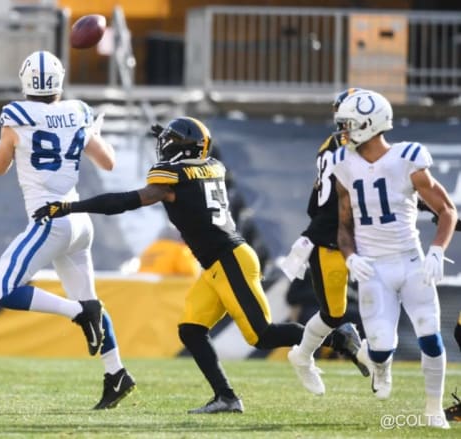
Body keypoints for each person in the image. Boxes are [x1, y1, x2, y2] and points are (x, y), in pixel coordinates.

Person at [33, 116, 363, 414]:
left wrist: (70, 206)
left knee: (262, 335)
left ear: (180, 146)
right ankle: (226, 397)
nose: (163, 145)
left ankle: (339, 338)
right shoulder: (212, 166)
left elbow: (126, 201)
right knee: (191, 329)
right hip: (219, 263)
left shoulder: (173, 176)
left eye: (169, 139)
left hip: (229, 259)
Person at [0, 50, 135, 410]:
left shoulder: (16, 115)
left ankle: (75, 313)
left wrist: (11, 138)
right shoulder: (79, 112)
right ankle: (116, 374)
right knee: (92, 301)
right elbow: (108, 160)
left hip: (49, 219)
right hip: (80, 219)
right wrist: (91, 133)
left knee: (3, 289)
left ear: (25, 81)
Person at [333, 89, 457, 429]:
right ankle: (379, 365)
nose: (343, 131)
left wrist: (436, 250)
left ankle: (433, 408)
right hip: (373, 267)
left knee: (430, 334)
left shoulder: (407, 158)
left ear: (368, 124)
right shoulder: (343, 165)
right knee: (381, 347)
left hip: (410, 260)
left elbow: (447, 210)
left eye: (348, 124)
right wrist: (350, 256)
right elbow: (344, 225)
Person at [279, 88, 369, 396]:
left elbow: (314, 202)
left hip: (358, 235)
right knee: (333, 313)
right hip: (336, 235)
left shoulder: (330, 144)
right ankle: (303, 356)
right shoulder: (353, 147)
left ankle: (377, 360)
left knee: (386, 297)